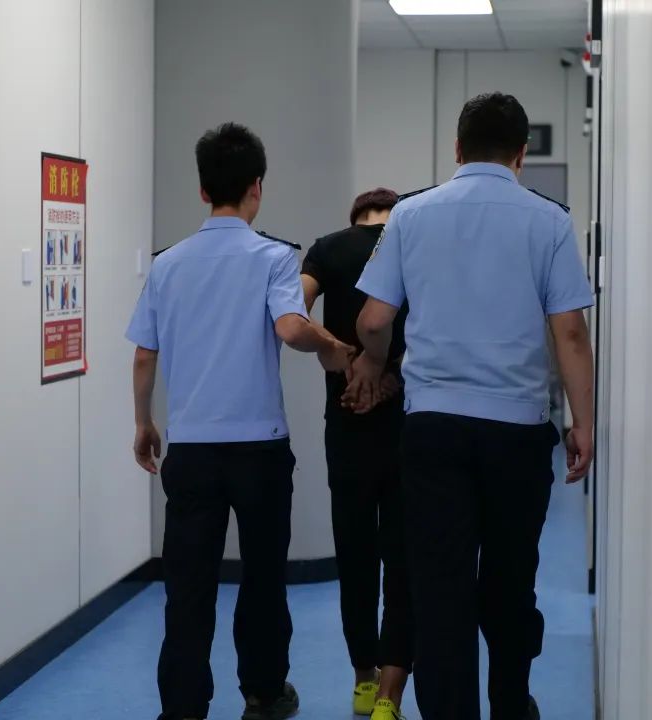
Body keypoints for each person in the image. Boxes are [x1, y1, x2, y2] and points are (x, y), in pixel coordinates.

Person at [345, 93, 596, 720]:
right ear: (521, 154)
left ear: (457, 149)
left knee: (440, 588)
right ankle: (510, 703)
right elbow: (570, 333)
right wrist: (583, 423)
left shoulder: (409, 215)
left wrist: (374, 361)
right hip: (517, 431)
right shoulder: (550, 222)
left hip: (433, 432)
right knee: (511, 582)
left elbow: (373, 319)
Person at [126, 122, 356, 720]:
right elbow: (290, 327)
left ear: (204, 190)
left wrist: (144, 423)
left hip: (192, 451)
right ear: (257, 187)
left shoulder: (167, 265)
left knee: (188, 585)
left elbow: (145, 355)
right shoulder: (275, 257)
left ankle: (182, 707)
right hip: (259, 451)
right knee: (262, 579)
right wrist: (332, 347)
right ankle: (263, 692)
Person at [300, 188, 413, 720]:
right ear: (394, 212)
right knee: (404, 559)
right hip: (407, 423)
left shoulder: (327, 248)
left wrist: (338, 353)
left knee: (355, 555)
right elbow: (438, 325)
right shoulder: (411, 243)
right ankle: (391, 694)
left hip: (345, 422)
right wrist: (390, 373)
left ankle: (363, 679)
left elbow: (290, 312)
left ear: (356, 218)